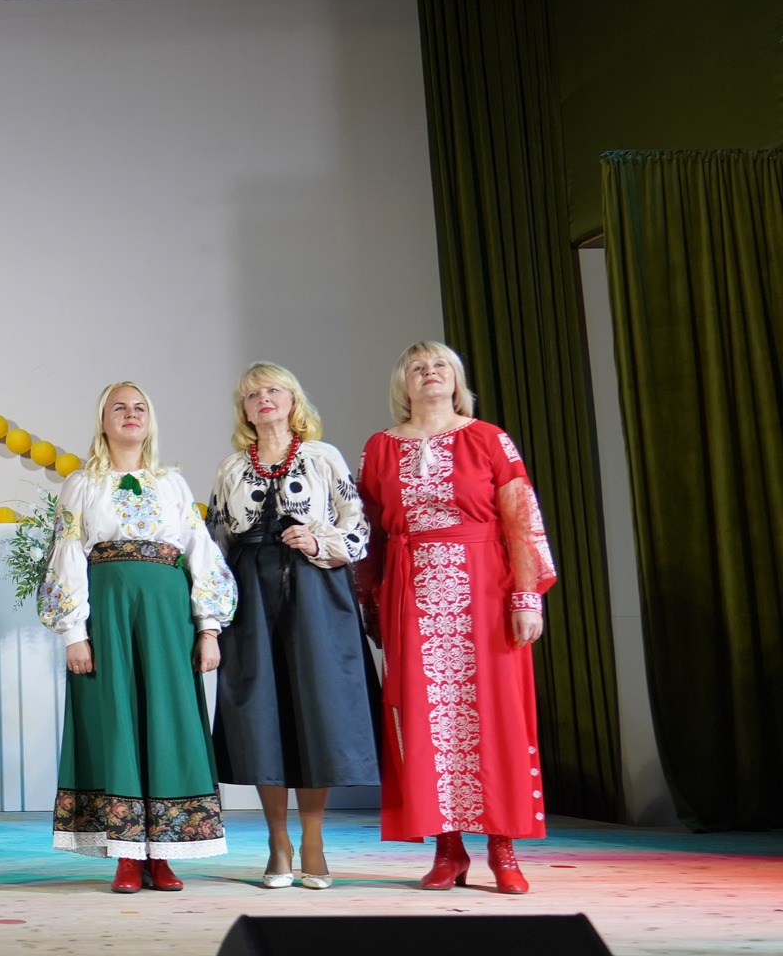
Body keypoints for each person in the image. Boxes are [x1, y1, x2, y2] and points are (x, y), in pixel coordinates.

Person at [354, 341, 555, 894]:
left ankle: (503, 847)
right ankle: (448, 850)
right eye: (417, 367)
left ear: (456, 378)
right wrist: (370, 602)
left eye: (439, 365)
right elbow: (370, 531)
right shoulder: (380, 447)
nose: (429, 373)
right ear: (403, 383)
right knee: (426, 720)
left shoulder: (488, 438)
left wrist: (526, 595)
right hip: (411, 593)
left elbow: (519, 516)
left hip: (484, 589)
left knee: (495, 715)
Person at [40, 381, 236, 893]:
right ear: (102, 420)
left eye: (139, 407)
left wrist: (208, 628)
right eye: (119, 407)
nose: (130, 414)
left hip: (166, 615)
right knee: (116, 720)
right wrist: (73, 632)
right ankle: (126, 853)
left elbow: (199, 550)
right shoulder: (83, 483)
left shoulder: (171, 483)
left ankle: (165, 851)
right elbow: (67, 552)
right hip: (108, 613)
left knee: (168, 719)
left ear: (150, 420)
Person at [207, 363, 380, 889]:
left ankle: (313, 841)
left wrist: (320, 541)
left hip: (316, 592)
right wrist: (211, 616)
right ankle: (278, 843)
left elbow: (358, 526)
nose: (264, 399)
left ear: (293, 400)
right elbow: (216, 544)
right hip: (251, 596)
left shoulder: (323, 457)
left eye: (273, 390)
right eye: (252, 394)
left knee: (317, 710)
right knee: (263, 715)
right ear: (243, 409)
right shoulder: (231, 468)